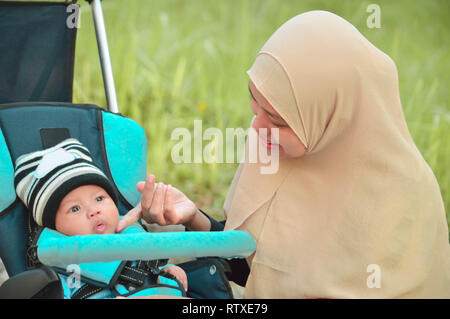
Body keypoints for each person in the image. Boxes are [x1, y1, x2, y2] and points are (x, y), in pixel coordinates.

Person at [118, 10, 450, 298]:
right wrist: (194, 219)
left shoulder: (403, 201)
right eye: (254, 102)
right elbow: (257, 270)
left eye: (277, 120)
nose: (258, 127)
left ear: (333, 116)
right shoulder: (275, 147)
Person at [14, 138, 187, 299]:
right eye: (75, 208)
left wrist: (169, 271)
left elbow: (153, 271)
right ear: (55, 227)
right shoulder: (63, 270)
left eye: (99, 199)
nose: (93, 211)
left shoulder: (133, 237)